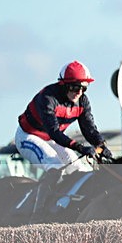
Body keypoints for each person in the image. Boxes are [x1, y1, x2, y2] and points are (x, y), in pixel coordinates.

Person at [15, 60, 112, 213]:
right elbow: (54, 131)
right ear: (64, 85)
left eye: (83, 88)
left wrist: (101, 146)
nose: (79, 92)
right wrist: (80, 147)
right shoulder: (47, 98)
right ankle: (37, 213)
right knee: (55, 166)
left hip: (52, 139)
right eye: (75, 87)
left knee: (78, 168)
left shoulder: (82, 102)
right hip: (28, 136)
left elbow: (89, 130)